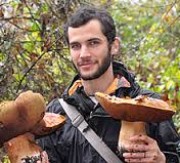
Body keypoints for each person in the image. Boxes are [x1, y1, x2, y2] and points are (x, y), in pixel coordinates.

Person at [37, 5, 180, 163]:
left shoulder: (151, 104)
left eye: (93, 43)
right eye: (75, 46)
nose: (84, 54)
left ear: (114, 46)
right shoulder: (55, 113)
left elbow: (175, 155)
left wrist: (162, 160)